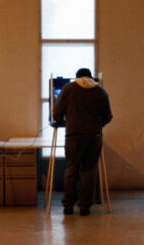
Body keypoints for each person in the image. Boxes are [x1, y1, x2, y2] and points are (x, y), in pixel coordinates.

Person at [53, 68, 113, 216]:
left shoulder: (69, 88)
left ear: (77, 77)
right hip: (94, 137)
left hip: (73, 135)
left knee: (72, 169)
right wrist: (98, 125)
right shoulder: (100, 91)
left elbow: (57, 111)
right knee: (89, 170)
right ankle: (85, 207)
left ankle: (68, 206)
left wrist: (63, 122)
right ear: (91, 77)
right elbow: (108, 116)